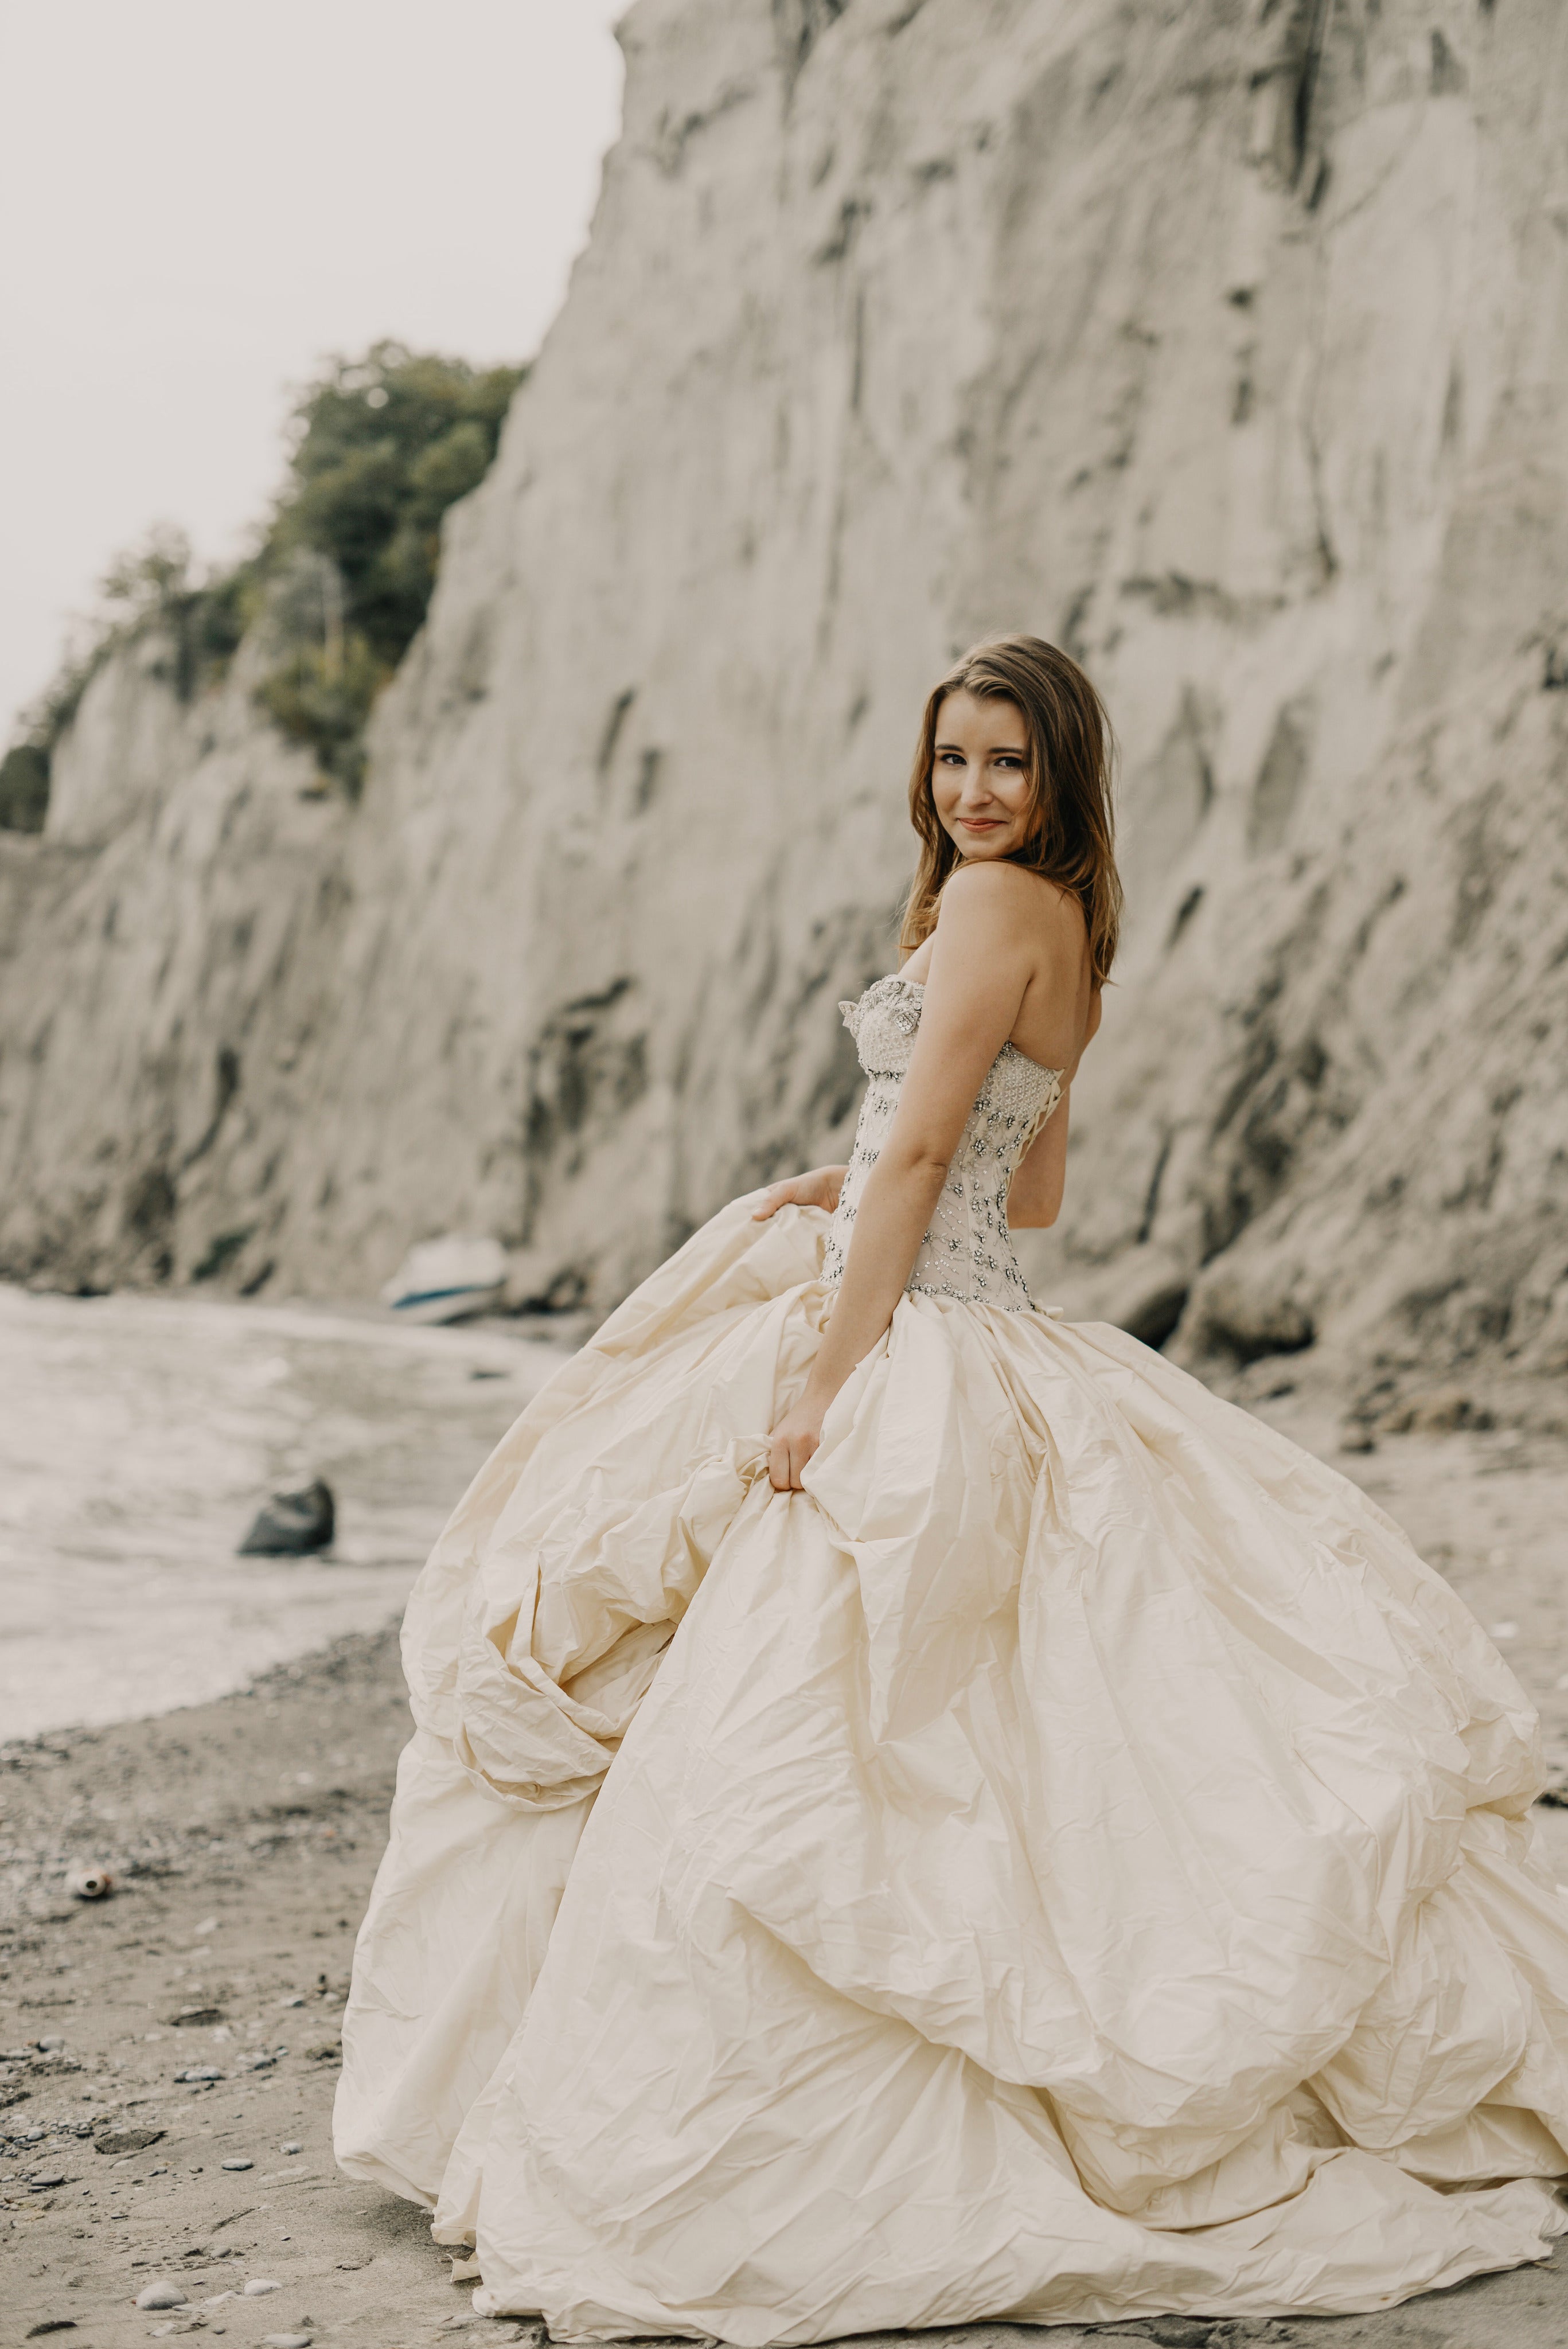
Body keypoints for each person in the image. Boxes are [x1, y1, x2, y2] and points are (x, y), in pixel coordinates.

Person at [336, 636, 1568, 2339]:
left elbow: (938, 1155)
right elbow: (1029, 1179)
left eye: (1005, 763)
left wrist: (828, 1370)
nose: (972, 792)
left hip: (916, 1328)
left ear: (1061, 771)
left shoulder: (987, 911)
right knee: (1024, 1728)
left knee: (815, 1732)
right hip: (994, 1320)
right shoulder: (1071, 929)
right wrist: (857, 1170)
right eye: (951, 762)